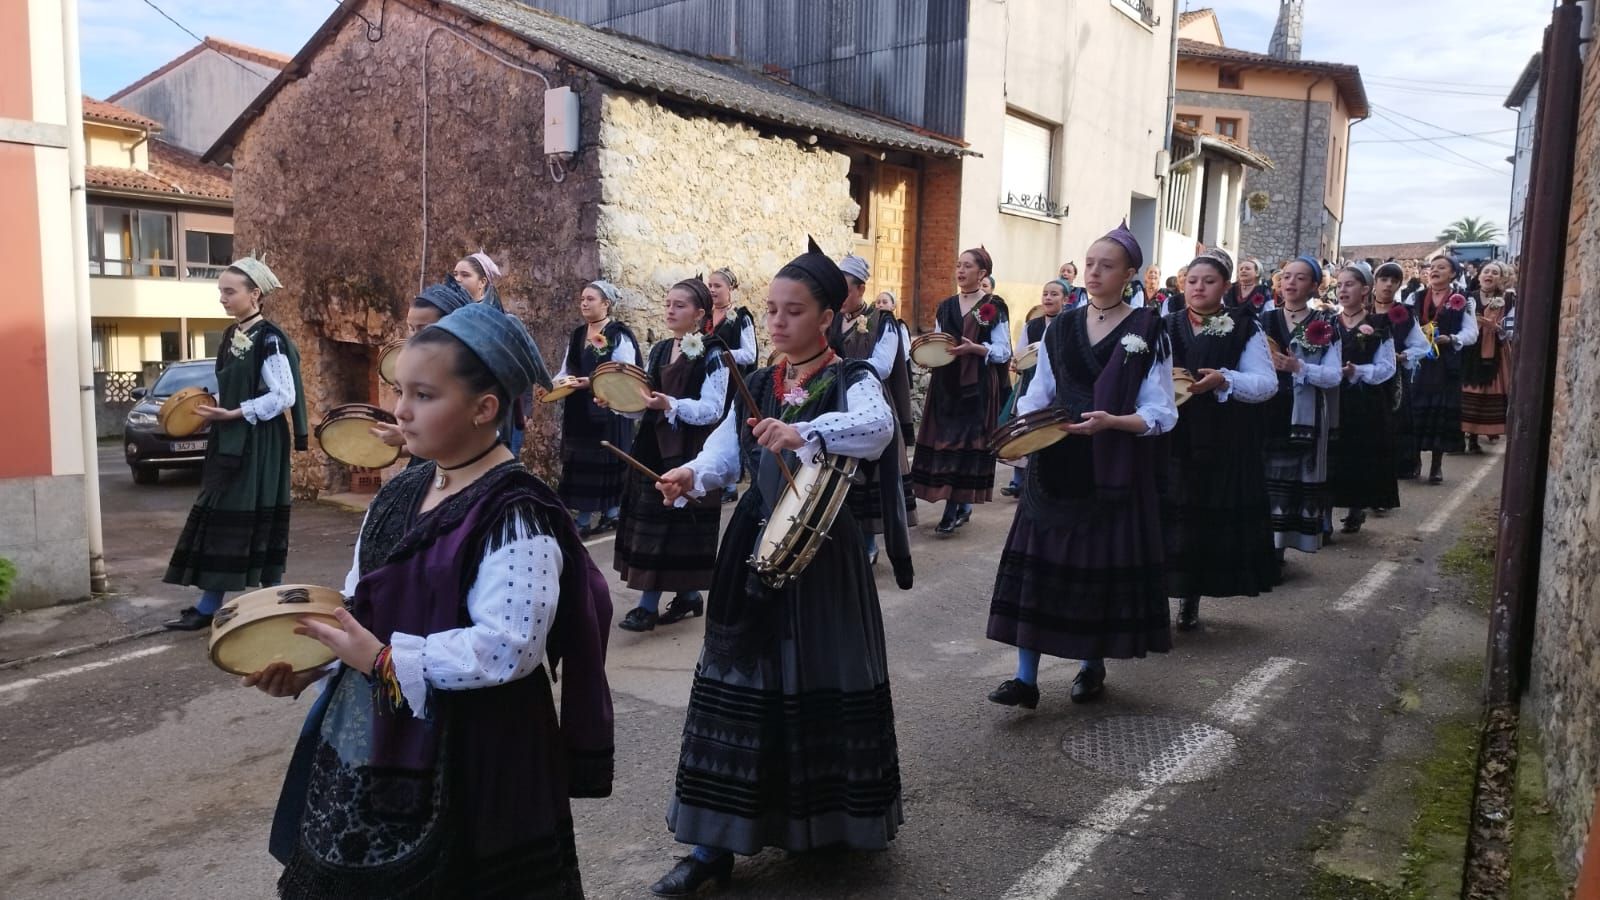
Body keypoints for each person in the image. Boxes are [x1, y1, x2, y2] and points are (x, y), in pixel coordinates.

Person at [253, 302, 614, 898]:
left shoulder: (517, 514)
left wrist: (381, 661)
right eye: (400, 391)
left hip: (478, 754)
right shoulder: (405, 489)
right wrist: (321, 660)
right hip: (373, 737)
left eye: (422, 395)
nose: (399, 410)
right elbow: (362, 598)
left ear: (484, 409)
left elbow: (506, 649)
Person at [648, 240, 902, 896]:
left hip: (824, 554)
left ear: (827, 316)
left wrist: (806, 432)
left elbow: (877, 431)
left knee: (820, 677)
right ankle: (711, 845)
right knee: (735, 684)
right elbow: (727, 452)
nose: (780, 322)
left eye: (795, 311)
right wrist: (692, 473)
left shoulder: (852, 381)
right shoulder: (757, 382)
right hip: (754, 544)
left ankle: (829, 825)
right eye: (773, 310)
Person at [985, 223, 1176, 708]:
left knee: (1096, 572)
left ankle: (1091, 667)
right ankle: (1025, 679)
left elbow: (1162, 411)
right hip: (1057, 460)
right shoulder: (1061, 326)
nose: (1093, 272)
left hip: (1111, 465)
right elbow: (1040, 390)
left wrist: (1114, 421)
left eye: (1106, 265)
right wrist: (1027, 435)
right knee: (1040, 571)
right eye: (1089, 263)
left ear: (1130, 274)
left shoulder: (1148, 328)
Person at [163, 258, 308, 631]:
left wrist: (234, 413)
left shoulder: (270, 339)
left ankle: (271, 601)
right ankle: (215, 604)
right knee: (223, 517)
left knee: (248, 514)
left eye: (230, 292)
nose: (223, 299)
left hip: (258, 442)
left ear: (254, 294)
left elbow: (284, 396)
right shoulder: (231, 335)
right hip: (232, 437)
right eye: (221, 292)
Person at [1162, 249, 1279, 632]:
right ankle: (1158, 593)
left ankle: (1190, 596)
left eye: (1208, 281)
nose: (1198, 288)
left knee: (1202, 518)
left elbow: (1266, 383)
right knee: (1168, 515)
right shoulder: (1165, 323)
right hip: (1171, 434)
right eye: (1192, 281)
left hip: (1220, 437)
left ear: (1225, 286)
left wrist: (1225, 379)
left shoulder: (1244, 326)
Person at [610, 278, 729, 632]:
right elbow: (646, 402)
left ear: (699, 314)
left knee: (677, 528)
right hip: (652, 446)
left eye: (679, 305)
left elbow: (712, 408)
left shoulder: (714, 353)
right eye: (667, 304)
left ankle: (648, 607)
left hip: (689, 451)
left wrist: (673, 404)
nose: (670, 311)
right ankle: (689, 595)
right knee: (653, 524)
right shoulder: (661, 349)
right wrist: (619, 401)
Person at [911, 246, 1012, 534]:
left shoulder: (994, 306)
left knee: (967, 444)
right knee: (947, 441)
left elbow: (1004, 350)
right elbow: (941, 340)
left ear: (982, 274)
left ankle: (953, 509)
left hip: (977, 385)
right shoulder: (945, 306)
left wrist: (976, 349)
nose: (960, 271)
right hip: (947, 383)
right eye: (958, 265)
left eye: (967, 266)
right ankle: (960, 504)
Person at [831, 254, 916, 585]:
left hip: (871, 404)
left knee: (872, 474)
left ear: (860, 288)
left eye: (843, 289)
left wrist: (842, 365)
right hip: (838, 404)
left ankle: (869, 543)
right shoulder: (832, 320)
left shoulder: (883, 321)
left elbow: (882, 365)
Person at [1258, 255, 1343, 570]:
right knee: (1265, 478)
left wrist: (1299, 367)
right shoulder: (1262, 320)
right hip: (1267, 410)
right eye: (1286, 276)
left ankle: (1279, 552)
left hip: (1303, 413)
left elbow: (1333, 376)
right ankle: (1263, 546)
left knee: (1292, 480)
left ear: (1315, 285)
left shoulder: (1327, 324)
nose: (1291, 282)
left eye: (1300, 277)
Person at [548, 280, 640, 537]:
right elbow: (568, 369)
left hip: (608, 406)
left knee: (605, 458)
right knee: (581, 461)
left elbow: (624, 371)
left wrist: (592, 382)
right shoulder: (578, 334)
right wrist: (553, 385)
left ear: (606, 304)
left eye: (590, 299)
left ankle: (604, 514)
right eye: (582, 299)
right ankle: (592, 516)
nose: (584, 303)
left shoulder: (618, 334)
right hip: (580, 408)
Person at [1327, 262, 1399, 534]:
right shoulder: (1328, 322)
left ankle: (1356, 507)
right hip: (1334, 397)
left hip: (1365, 400)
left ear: (1365, 290)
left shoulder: (1379, 325)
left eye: (1350, 284)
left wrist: (1358, 371)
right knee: (1332, 453)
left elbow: (1387, 367)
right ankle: (1325, 511)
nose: (1343, 290)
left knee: (1359, 453)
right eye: (1340, 284)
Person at [370, 279, 477, 459]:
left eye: (424, 329)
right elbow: (422, 454)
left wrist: (405, 436)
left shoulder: (470, 376)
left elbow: (467, 441)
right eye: (411, 329)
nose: (400, 412)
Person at [1406, 255, 1479, 484]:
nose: (1434, 270)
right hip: (1419, 363)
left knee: (1440, 413)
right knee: (1416, 412)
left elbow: (1472, 333)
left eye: (1442, 267)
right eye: (1432, 267)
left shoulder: (1464, 300)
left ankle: (1436, 465)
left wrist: (1453, 338)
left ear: (1453, 274)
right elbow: (1403, 326)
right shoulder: (1414, 297)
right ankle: (1415, 461)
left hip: (1445, 365)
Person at [999, 278, 1068, 498]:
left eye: (1054, 294)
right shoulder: (1033, 325)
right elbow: (1021, 353)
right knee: (1024, 425)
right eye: (1046, 293)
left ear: (1065, 300)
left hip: (1059, 383)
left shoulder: (1069, 324)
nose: (1048, 297)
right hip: (1031, 381)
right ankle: (1018, 481)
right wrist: (1017, 363)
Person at [1373, 262, 1429, 483]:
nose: (1388, 285)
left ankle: (1394, 470)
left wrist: (1402, 356)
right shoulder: (1360, 309)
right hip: (1363, 376)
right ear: (1375, 283)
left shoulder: (1404, 313)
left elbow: (1422, 346)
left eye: (1393, 281)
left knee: (1393, 424)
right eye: (1384, 280)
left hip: (1393, 378)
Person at [707, 267, 758, 502]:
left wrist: (720, 354)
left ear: (731, 289)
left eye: (717, 286)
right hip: (710, 381)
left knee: (729, 429)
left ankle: (729, 484)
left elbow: (749, 353)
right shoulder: (704, 316)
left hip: (732, 383)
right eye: (710, 285)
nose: (712, 290)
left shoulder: (741, 317)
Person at [1461, 261, 1514, 452]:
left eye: (1495, 273)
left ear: (1501, 278)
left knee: (1486, 394)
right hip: (1469, 350)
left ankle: (1474, 438)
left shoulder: (1507, 300)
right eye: (1486, 271)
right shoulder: (1468, 297)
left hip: (1494, 352)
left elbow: (1511, 329)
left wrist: (1496, 328)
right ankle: (1460, 437)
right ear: (1479, 276)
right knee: (1465, 392)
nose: (1489, 275)